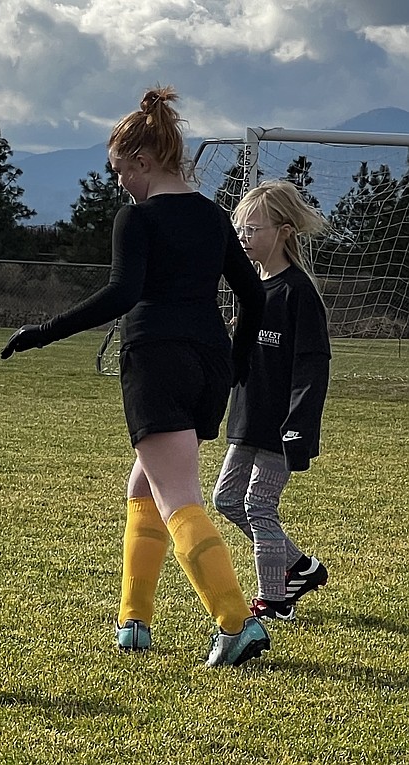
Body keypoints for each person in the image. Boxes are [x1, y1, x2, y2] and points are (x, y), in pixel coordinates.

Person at [0, 86, 269, 667]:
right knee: (144, 486)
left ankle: (235, 623)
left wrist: (43, 331)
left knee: (178, 498)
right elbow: (253, 297)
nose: (119, 181)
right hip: (208, 365)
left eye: (120, 169)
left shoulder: (138, 217)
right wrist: (238, 363)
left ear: (143, 162)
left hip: (157, 359)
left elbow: (124, 293)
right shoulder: (215, 217)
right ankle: (134, 621)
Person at [211, 180, 330, 621]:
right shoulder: (251, 290)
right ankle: (299, 566)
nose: (243, 238)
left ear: (282, 231)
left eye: (252, 229)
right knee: (226, 501)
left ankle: (274, 601)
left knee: (259, 506)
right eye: (239, 230)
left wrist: (298, 423)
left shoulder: (298, 292)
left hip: (280, 426)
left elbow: (312, 367)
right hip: (248, 419)